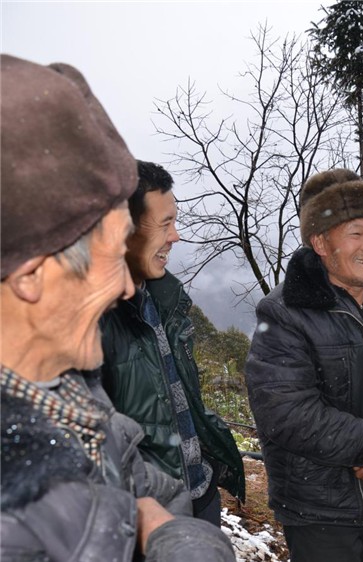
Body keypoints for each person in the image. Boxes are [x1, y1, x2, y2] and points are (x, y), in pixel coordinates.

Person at [0, 54, 235, 561]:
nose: (128, 289)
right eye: (113, 258)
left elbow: (134, 477)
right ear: (32, 276)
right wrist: (175, 536)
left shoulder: (70, 392)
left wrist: (151, 515)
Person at [245, 169, 363, 562]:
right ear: (319, 241)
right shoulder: (286, 311)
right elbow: (285, 410)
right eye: (356, 233)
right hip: (316, 499)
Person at [98, 160, 246, 526]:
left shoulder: (164, 301)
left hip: (199, 495)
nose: (176, 236)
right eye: (165, 223)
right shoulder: (91, 323)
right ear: (123, 230)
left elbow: (180, 400)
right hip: (148, 516)